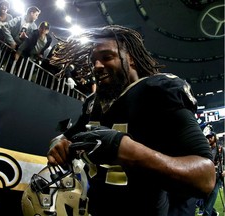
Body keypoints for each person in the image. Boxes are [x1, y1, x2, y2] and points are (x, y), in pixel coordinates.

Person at [46, 25, 216, 216]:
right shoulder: (93, 103)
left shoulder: (157, 90)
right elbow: (65, 138)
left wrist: (128, 150)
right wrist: (58, 145)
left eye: (107, 57)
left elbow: (206, 178)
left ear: (131, 59)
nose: (97, 66)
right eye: (93, 60)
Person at [201, 125, 224, 216]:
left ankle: (207, 214)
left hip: (217, 179)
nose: (209, 139)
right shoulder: (207, 150)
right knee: (205, 199)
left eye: (210, 136)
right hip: (208, 178)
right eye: (207, 137)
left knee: (208, 205)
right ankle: (214, 213)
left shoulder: (221, 149)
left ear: (214, 136)